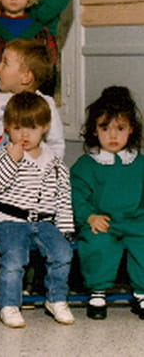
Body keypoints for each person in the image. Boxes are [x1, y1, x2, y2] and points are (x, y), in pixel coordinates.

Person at [0, 92, 74, 328]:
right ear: (7, 127)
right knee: (14, 258)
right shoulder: (0, 155)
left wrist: (65, 229)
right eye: (17, 128)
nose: (24, 134)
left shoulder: (54, 162)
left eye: (32, 128)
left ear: (44, 127)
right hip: (9, 220)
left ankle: (56, 299)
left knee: (63, 254)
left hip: (44, 222)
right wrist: (11, 161)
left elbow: (63, 198)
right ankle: (9, 304)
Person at [71, 86, 144, 321]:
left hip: (135, 221)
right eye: (105, 128)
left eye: (120, 129)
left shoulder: (139, 163)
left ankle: (142, 292)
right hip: (102, 220)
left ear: (131, 129)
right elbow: (76, 196)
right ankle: (98, 291)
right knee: (97, 244)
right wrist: (89, 216)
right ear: (95, 130)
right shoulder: (86, 165)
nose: (113, 136)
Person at [0, 38, 63, 162]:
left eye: (5, 63)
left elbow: (56, 144)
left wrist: (48, 169)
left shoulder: (46, 104)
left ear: (26, 77)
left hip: (31, 172)